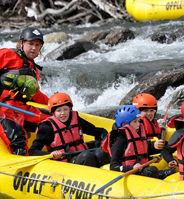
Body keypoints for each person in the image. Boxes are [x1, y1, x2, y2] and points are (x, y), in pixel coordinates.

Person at [0, 27, 50, 155]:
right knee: (19, 143)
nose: (33, 48)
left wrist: (54, 104)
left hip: (22, 109)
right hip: (4, 110)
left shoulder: (33, 69)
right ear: (22, 43)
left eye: (37, 45)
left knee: (54, 122)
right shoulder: (7, 54)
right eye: (30, 44)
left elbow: (35, 95)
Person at [29, 93, 109, 167]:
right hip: (65, 163)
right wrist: (51, 153)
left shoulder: (76, 119)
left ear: (70, 109)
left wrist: (103, 143)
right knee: (87, 156)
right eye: (59, 110)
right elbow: (33, 151)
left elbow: (98, 131)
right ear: (53, 112)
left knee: (103, 152)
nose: (63, 113)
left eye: (65, 109)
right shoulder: (47, 127)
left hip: (82, 155)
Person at [102, 105, 175, 179]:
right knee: (152, 170)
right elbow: (114, 166)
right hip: (131, 173)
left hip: (141, 171)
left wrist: (151, 159)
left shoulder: (137, 134)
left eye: (139, 121)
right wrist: (132, 167)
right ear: (124, 124)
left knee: (171, 172)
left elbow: (137, 157)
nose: (138, 125)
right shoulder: (120, 139)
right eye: (135, 122)